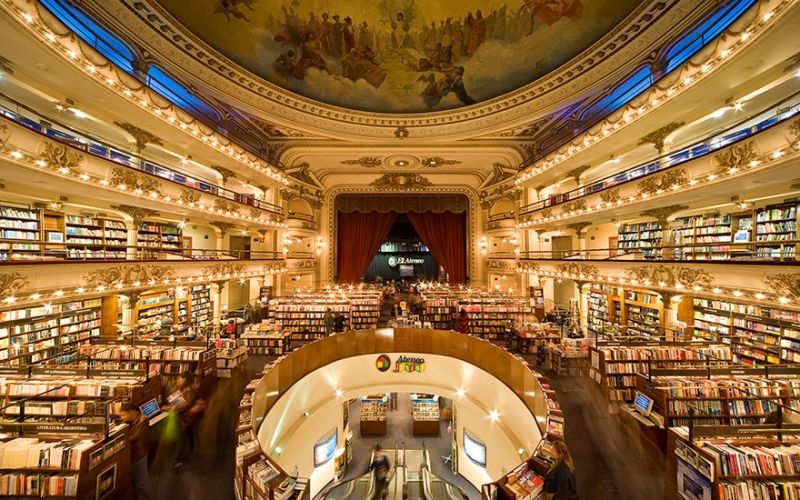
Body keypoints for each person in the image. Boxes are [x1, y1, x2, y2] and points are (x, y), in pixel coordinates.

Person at [118, 403, 154, 500]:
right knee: (138, 482)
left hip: (139, 455)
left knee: (142, 481)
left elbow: (135, 437)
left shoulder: (143, 420)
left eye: (123, 415)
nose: (121, 418)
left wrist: (120, 436)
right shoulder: (129, 421)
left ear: (132, 412)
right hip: (134, 454)